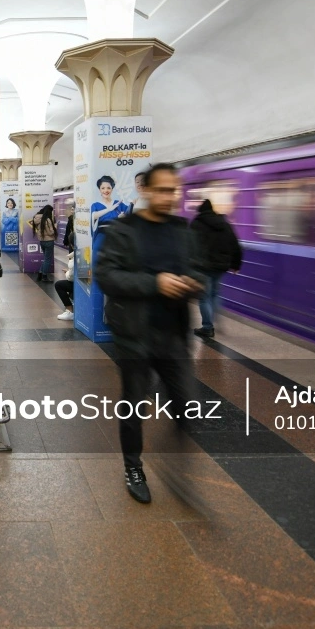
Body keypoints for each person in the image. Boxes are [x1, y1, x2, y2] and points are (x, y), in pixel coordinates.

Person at [95, 163, 205, 506]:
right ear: (144, 190)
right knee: (134, 405)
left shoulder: (182, 230)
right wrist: (154, 283)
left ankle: (174, 462)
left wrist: (193, 282)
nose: (168, 197)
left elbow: (196, 267)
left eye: (173, 190)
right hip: (134, 335)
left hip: (173, 334)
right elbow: (106, 275)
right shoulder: (123, 230)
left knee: (187, 404)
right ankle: (133, 467)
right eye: (161, 190)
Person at [189, 199, 243, 339]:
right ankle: (213, 322)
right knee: (214, 293)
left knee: (204, 297)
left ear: (200, 211)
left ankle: (208, 327)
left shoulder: (196, 224)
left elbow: (189, 245)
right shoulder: (224, 224)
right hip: (220, 266)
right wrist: (236, 265)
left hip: (203, 266)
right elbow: (235, 245)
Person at [89, 176, 129, 260]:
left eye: (108, 188)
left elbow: (130, 214)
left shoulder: (119, 204)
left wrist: (122, 218)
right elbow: (94, 216)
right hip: (101, 236)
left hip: (116, 237)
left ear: (112, 189)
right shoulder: (95, 205)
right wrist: (109, 209)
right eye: (102, 188)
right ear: (99, 190)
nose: (105, 190)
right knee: (99, 262)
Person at [54, 222, 76, 321]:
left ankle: (70, 311)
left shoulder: (75, 258)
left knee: (59, 285)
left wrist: (67, 272)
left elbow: (70, 277)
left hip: (80, 283)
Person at [30, 204, 57, 282]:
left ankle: (40, 274)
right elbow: (50, 232)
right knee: (48, 260)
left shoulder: (36, 218)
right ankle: (44, 276)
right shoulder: (47, 219)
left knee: (45, 259)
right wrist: (55, 227)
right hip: (49, 241)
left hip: (42, 241)